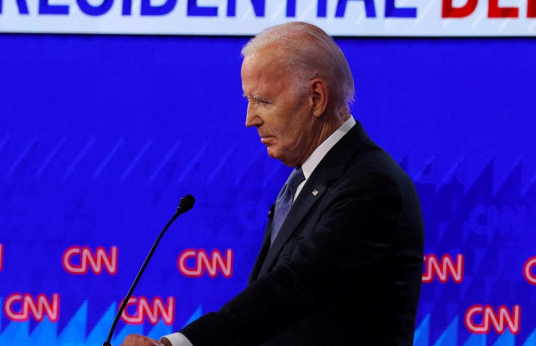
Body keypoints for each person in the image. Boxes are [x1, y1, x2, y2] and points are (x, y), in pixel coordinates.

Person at [122, 22, 424, 346]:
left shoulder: (372, 185)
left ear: (316, 97)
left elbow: (294, 288)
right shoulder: (306, 180)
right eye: (248, 101)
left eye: (262, 101)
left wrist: (178, 345)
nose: (249, 118)